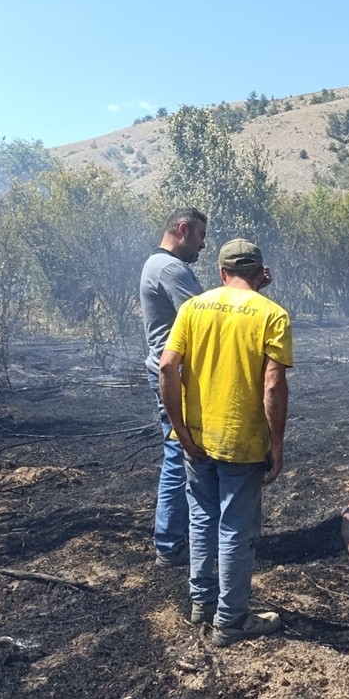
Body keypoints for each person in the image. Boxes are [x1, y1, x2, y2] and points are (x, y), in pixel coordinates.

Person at [159, 239, 293, 647]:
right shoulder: (273, 315)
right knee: (236, 527)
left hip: (197, 438)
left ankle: (201, 603)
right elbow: (273, 385)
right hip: (240, 440)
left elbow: (167, 366)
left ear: (221, 272)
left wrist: (180, 430)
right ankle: (231, 620)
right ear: (259, 272)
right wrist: (277, 443)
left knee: (201, 518)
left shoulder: (193, 307)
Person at [139, 207, 207, 568]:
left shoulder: (159, 265)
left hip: (169, 371)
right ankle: (169, 544)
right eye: (199, 237)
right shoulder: (170, 269)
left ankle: (177, 536)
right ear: (183, 230)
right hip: (173, 375)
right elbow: (206, 318)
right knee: (180, 455)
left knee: (179, 452)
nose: (202, 247)